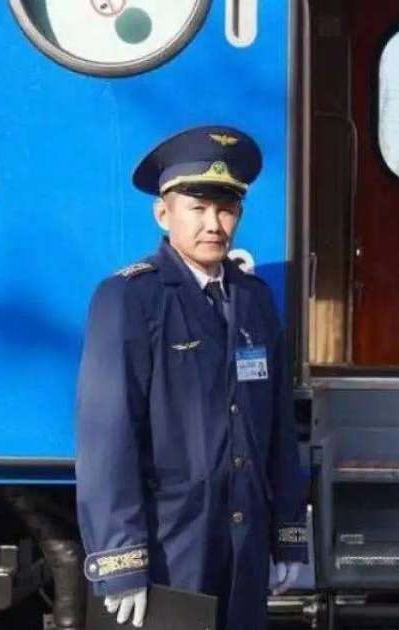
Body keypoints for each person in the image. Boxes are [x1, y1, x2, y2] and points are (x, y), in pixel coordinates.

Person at [76, 126, 308, 629]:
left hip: (243, 547)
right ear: (164, 213)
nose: (213, 225)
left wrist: (288, 532)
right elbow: (107, 437)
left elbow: (278, 431)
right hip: (168, 547)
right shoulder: (130, 299)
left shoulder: (254, 301)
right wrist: (122, 560)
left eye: (225, 210)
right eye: (197, 208)